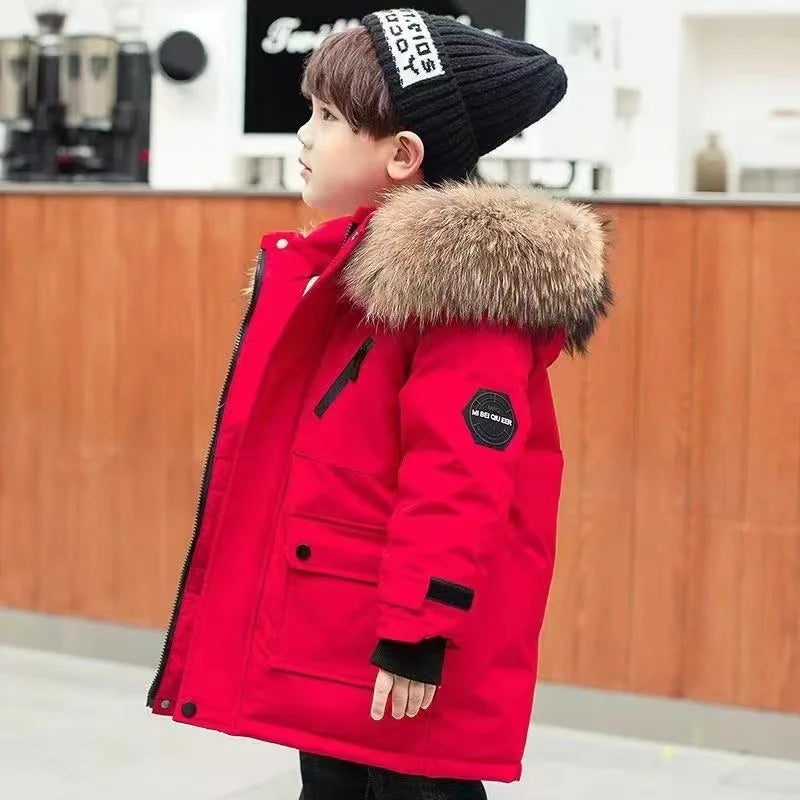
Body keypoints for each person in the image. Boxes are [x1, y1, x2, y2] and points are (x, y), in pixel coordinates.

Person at [146, 9, 611, 800]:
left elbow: (460, 475)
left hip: (394, 645)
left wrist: (419, 628)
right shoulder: (350, 272)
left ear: (402, 155)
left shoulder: (464, 298)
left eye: (328, 117)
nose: (304, 134)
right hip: (333, 627)